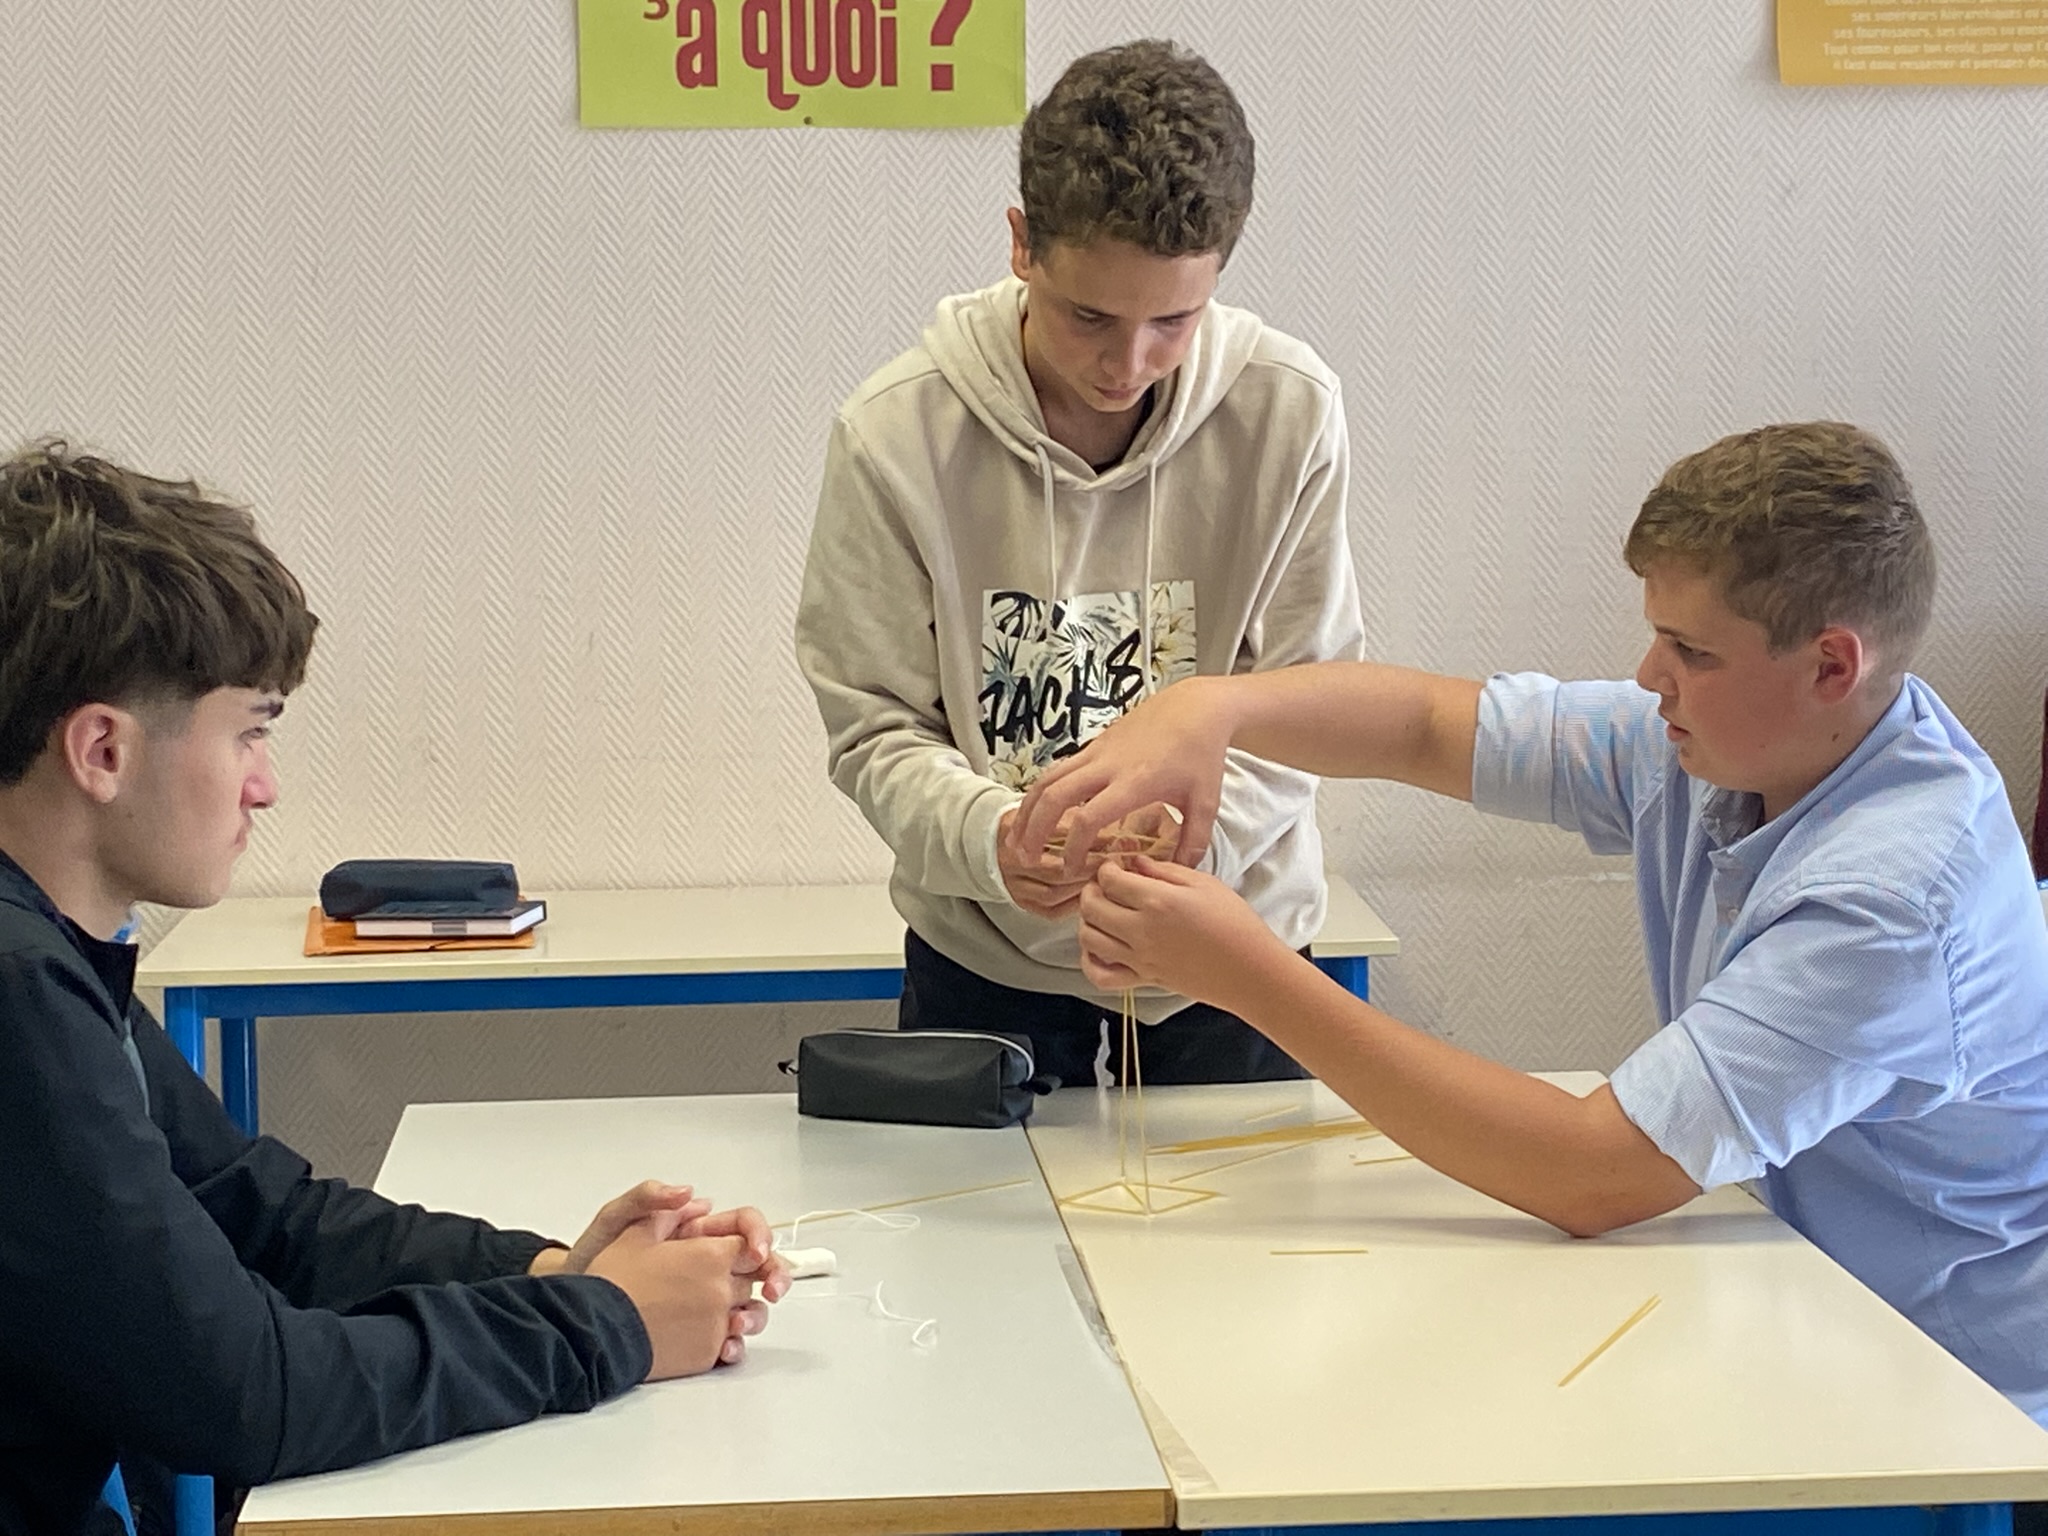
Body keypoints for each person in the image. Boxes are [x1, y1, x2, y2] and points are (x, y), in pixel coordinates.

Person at [1017, 422, 2048, 1433]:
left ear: (1830, 665)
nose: (1649, 676)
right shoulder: (1747, 744)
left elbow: (1588, 1174)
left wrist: (1243, 971)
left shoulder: (1891, 903)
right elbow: (1426, 727)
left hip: (1947, 1402)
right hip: (1804, 1304)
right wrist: (1208, 710)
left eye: (1690, 651)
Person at [0, 444, 791, 1536]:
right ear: (103, 750)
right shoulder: (17, 992)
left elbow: (263, 1217)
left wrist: (555, 1272)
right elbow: (245, 1394)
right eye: (249, 731)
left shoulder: (51, 953)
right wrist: (604, 1326)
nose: (266, 786)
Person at [794, 40, 1365, 1089]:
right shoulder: (894, 435)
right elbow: (875, 728)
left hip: (1230, 935)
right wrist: (996, 839)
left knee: (1239, 1203)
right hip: (986, 947)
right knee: (980, 1204)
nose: (1126, 363)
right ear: (1022, 243)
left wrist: (1190, 846)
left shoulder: (1287, 410)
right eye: (1089, 316)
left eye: (1173, 321)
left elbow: (1310, 700)